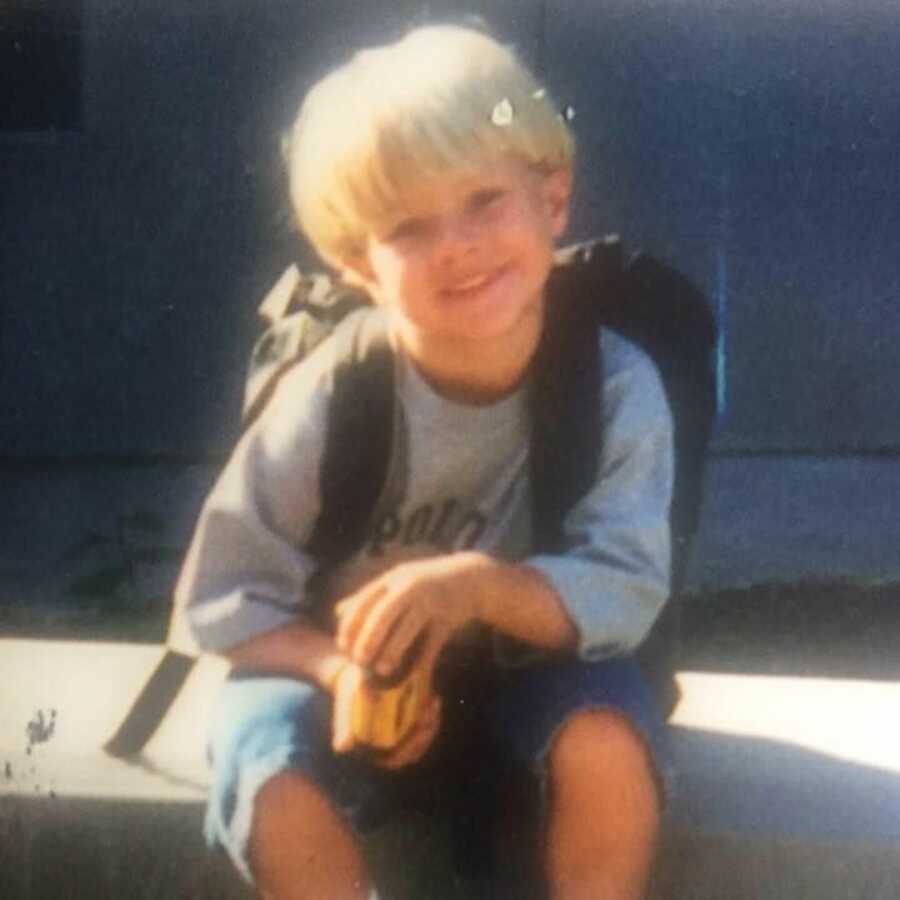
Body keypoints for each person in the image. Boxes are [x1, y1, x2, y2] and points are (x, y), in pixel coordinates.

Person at [176, 23, 674, 900]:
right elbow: (222, 595)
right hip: (348, 686)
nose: (458, 246)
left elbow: (625, 588)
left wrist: (473, 588)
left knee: (608, 736)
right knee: (261, 754)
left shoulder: (610, 384)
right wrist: (338, 669)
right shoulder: (338, 393)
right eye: (409, 225)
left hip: (531, 674)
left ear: (553, 200)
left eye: (486, 199)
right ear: (356, 264)